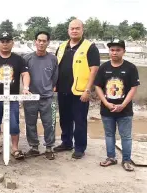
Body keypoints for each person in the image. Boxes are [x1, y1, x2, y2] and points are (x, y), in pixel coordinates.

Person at [54, 19, 100, 159]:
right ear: (68, 30)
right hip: (63, 89)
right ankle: (66, 142)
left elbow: (94, 70)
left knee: (79, 120)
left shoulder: (90, 47)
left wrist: (87, 90)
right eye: (72, 28)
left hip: (80, 92)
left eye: (77, 28)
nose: (74, 30)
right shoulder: (62, 46)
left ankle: (80, 147)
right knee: (65, 119)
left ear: (82, 30)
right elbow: (56, 66)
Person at [0, 31, 30, 160]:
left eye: (8, 41)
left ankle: (15, 149)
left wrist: (25, 88)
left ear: (12, 43)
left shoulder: (19, 59)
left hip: (12, 98)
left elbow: (25, 74)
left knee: (14, 124)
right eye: (2, 42)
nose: (5, 44)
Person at [94, 40, 140, 172]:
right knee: (109, 134)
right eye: (112, 50)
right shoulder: (104, 67)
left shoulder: (130, 68)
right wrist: (106, 103)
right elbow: (97, 86)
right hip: (107, 109)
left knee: (126, 136)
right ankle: (111, 157)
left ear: (124, 51)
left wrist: (123, 104)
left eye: (118, 50)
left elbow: (133, 88)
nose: (114, 52)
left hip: (125, 111)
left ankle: (126, 160)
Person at [23, 31, 58, 160]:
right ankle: (34, 147)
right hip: (31, 97)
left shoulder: (53, 59)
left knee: (49, 123)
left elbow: (54, 78)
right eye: (39, 40)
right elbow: (23, 76)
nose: (41, 43)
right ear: (35, 42)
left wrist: (48, 89)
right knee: (30, 123)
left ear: (48, 42)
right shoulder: (27, 59)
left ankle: (49, 147)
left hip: (47, 98)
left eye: (44, 41)